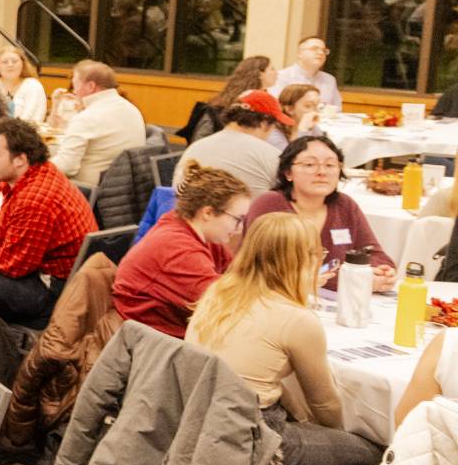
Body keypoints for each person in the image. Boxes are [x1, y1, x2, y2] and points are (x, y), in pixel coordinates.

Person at [186, 213, 382, 465]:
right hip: (256, 446)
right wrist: (339, 436)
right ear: (301, 260)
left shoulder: (217, 292)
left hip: (201, 430)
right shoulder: (294, 318)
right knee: (372, 452)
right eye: (316, 253)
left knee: (299, 420)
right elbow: (324, 403)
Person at [0, 118, 98, 327]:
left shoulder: (35, 198)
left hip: (51, 289)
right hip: (30, 271)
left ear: (20, 159)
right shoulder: (10, 176)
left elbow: (14, 266)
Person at [113, 164, 250, 338]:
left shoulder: (194, 229)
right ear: (207, 212)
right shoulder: (178, 250)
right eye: (237, 219)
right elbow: (224, 305)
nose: (239, 229)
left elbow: (235, 275)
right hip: (146, 345)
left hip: (164, 335)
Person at [245, 135, 396, 289]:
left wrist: (383, 272)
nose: (322, 172)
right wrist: (356, 281)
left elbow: (374, 253)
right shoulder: (270, 205)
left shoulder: (344, 205)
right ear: (288, 172)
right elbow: (268, 269)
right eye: (310, 164)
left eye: (330, 165)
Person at [50, 60, 148, 188]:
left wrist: (31, 167)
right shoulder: (131, 109)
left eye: (75, 86)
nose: (74, 92)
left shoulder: (87, 118)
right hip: (122, 189)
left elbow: (67, 166)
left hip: (87, 190)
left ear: (90, 87)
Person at [174, 89, 291, 195]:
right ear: (265, 123)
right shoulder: (271, 155)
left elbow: (177, 190)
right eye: (274, 126)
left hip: (191, 215)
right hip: (253, 218)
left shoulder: (195, 147)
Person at [275, 35, 342, 109]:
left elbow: (337, 109)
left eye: (324, 50)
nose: (320, 53)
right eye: (314, 49)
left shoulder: (329, 79)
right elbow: (277, 108)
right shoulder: (282, 76)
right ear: (300, 54)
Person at [0, 47, 47, 123]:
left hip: (23, 132)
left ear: (23, 64)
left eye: (14, 61)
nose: (10, 65)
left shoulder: (33, 86)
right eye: (5, 62)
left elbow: (33, 118)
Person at [273, 83, 321, 147]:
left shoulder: (313, 127)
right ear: (290, 109)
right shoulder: (273, 132)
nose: (315, 111)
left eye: (317, 105)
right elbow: (295, 156)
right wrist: (304, 130)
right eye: (308, 106)